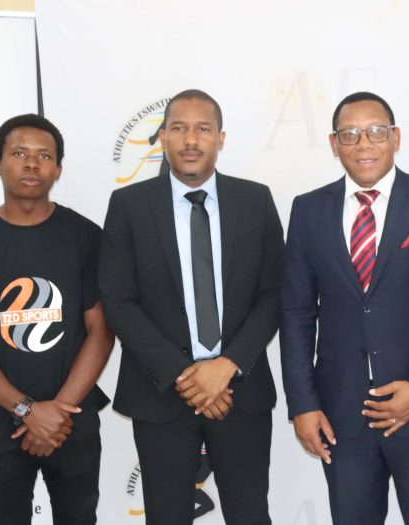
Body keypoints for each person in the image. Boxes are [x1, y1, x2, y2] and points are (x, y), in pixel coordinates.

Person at [279, 91, 409, 525]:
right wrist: (302, 404)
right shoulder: (308, 210)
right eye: (349, 134)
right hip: (340, 417)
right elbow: (297, 313)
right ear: (334, 144)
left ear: (396, 137)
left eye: (375, 131)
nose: (363, 144)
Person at [100, 89, 283, 525]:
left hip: (240, 392)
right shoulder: (129, 205)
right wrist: (186, 377)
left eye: (203, 129)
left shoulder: (255, 201)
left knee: (250, 515)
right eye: (178, 128)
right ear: (163, 137)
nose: (190, 140)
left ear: (220, 138)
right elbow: (119, 300)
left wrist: (227, 366)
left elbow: (276, 293)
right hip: (161, 392)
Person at [0, 114, 114, 524]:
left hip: (72, 421)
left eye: (44, 156)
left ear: (58, 170)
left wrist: (57, 413)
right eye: (19, 154)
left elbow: (101, 332)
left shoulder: (86, 237)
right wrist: (29, 411)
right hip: (1, 423)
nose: (32, 164)